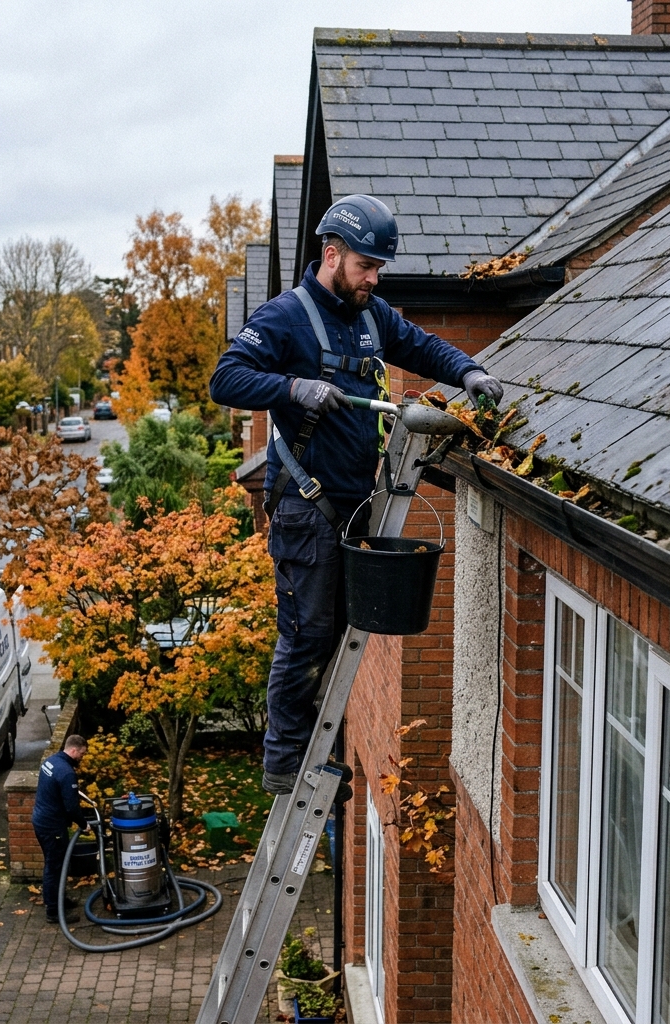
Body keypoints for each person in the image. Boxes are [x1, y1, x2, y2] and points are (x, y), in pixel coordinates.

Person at [209, 195, 503, 795]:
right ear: (331, 255)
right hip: (306, 507)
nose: (374, 279)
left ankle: (320, 754)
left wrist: (469, 371)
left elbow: (422, 346)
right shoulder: (284, 318)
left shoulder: (372, 316)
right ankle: (284, 761)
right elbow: (226, 378)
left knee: (341, 636)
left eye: (378, 269)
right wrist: (292, 388)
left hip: (354, 506)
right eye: (365, 266)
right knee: (307, 634)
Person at [32, 734, 89, 921]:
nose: (82, 757)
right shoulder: (67, 772)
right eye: (81, 754)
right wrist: (84, 824)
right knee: (54, 866)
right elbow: (71, 807)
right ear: (73, 750)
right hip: (52, 826)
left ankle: (59, 899)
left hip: (41, 820)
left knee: (55, 863)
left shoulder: (51, 762)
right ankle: (53, 911)